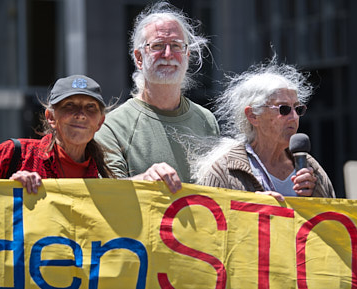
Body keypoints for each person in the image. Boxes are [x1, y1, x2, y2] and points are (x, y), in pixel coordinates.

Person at [95, 1, 220, 188]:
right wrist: (143, 180)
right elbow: (108, 195)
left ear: (187, 55)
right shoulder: (112, 127)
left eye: (176, 46)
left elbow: (221, 190)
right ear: (138, 58)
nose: (168, 54)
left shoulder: (207, 121)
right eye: (157, 45)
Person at [193, 59, 335, 199]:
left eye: (298, 109)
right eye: (284, 109)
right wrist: (254, 209)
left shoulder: (310, 167)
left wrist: (316, 191)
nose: (294, 117)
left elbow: (335, 219)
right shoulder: (224, 171)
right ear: (253, 115)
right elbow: (209, 219)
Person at [0, 75, 114, 194]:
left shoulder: (106, 181)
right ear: (51, 117)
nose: (81, 115)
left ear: (100, 122)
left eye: (90, 107)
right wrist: (7, 190)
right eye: (70, 105)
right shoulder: (13, 155)